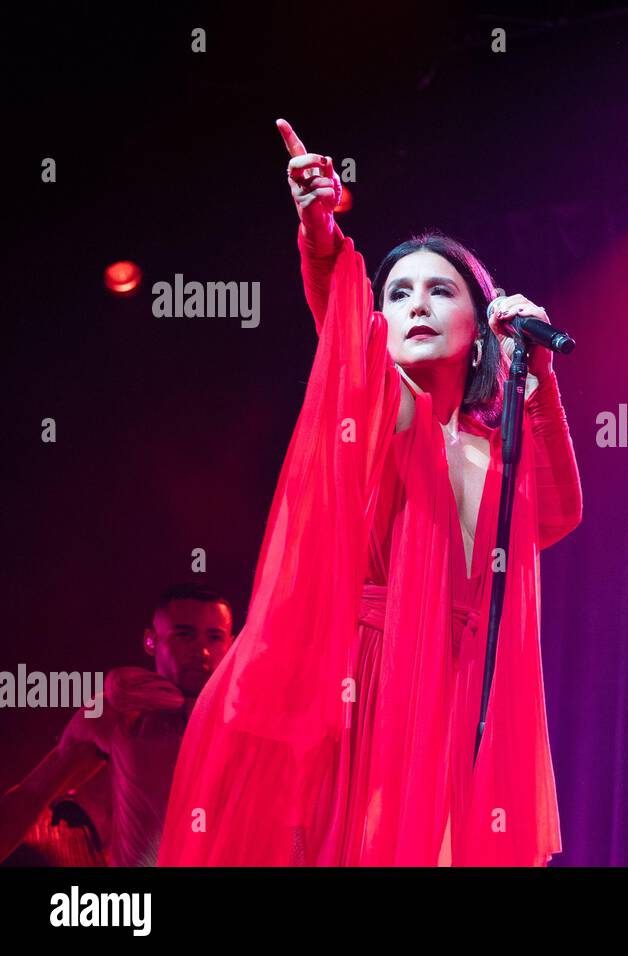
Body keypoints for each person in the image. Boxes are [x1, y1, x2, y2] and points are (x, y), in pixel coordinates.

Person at [157, 119, 582, 866]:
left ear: (480, 327)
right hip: (366, 687)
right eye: (398, 292)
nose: (415, 304)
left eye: (440, 289)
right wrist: (319, 228)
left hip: (460, 699)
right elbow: (338, 312)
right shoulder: (388, 407)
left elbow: (556, 513)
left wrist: (538, 380)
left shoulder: (493, 446)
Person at [0, 584, 234, 866]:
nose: (203, 651)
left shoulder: (252, 720)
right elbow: (31, 795)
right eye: (185, 635)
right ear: (151, 641)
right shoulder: (117, 712)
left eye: (215, 637)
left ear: (231, 644)